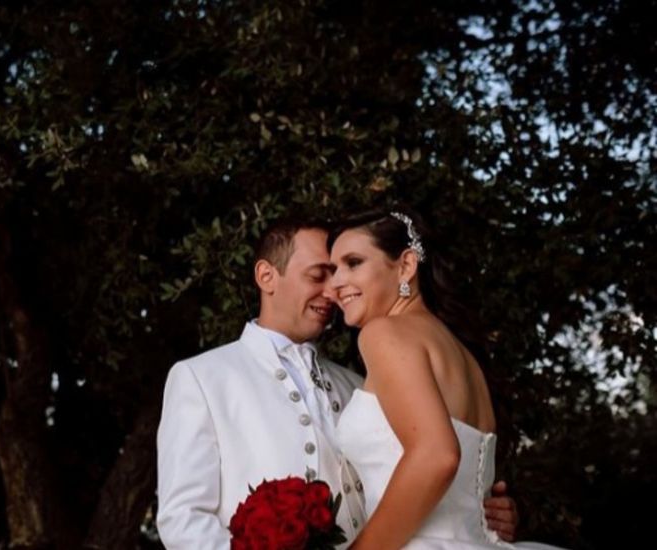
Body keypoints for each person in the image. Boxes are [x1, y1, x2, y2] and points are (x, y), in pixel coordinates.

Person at [156, 218, 519, 549]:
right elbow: (183, 520)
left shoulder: (361, 381)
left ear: (406, 265)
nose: (332, 290)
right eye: (319, 275)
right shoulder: (201, 378)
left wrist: (477, 507)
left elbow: (426, 465)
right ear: (266, 276)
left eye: (347, 267)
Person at [326, 207, 565, 549]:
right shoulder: (461, 353)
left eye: (353, 263)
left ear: (406, 266)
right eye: (333, 269)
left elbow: (437, 455)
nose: (335, 283)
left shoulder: (383, 333)